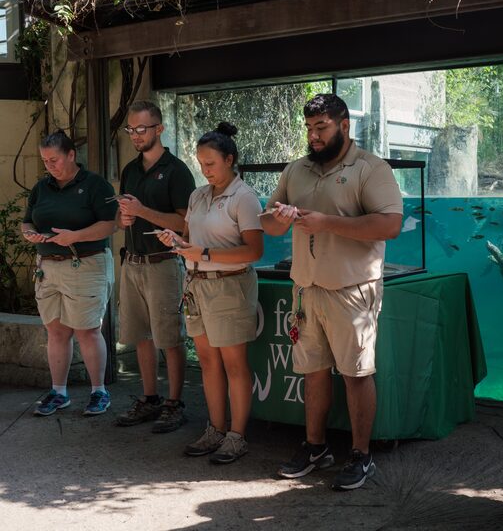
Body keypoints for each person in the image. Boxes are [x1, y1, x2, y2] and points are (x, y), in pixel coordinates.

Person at [261, 93, 403, 490]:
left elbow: (390, 224)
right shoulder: (297, 169)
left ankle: (361, 455)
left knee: (357, 373)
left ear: (344, 125)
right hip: (307, 289)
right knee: (313, 371)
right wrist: (278, 216)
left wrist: (328, 223)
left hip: (352, 289)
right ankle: (315, 446)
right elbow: (269, 226)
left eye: (321, 127)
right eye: (309, 128)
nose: (314, 136)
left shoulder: (370, 168)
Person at [158, 122, 263, 464]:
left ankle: (236, 435)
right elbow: (189, 238)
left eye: (211, 164)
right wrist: (175, 243)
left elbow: (253, 252)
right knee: (206, 361)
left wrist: (203, 254)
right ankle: (215, 428)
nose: (206, 171)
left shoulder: (244, 197)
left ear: (230, 159)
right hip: (196, 286)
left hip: (229, 285)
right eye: (201, 164)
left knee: (234, 363)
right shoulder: (198, 195)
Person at [22, 131, 117, 416]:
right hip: (48, 267)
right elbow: (27, 222)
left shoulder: (95, 185)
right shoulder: (41, 187)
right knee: (55, 330)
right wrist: (31, 236)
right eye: (45, 161)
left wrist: (75, 236)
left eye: (54, 159)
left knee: (87, 330)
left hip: (85, 264)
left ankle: (99, 391)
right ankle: (58, 392)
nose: (49, 166)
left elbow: (109, 226)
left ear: (71, 155)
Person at [114, 101, 196, 433]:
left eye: (141, 129)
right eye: (130, 129)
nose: (135, 135)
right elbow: (123, 216)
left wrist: (143, 211)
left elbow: (185, 223)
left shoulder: (177, 171)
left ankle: (174, 404)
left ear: (159, 129)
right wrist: (125, 217)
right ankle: (150, 399)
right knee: (140, 336)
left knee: (169, 337)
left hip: (164, 264)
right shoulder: (130, 170)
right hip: (132, 262)